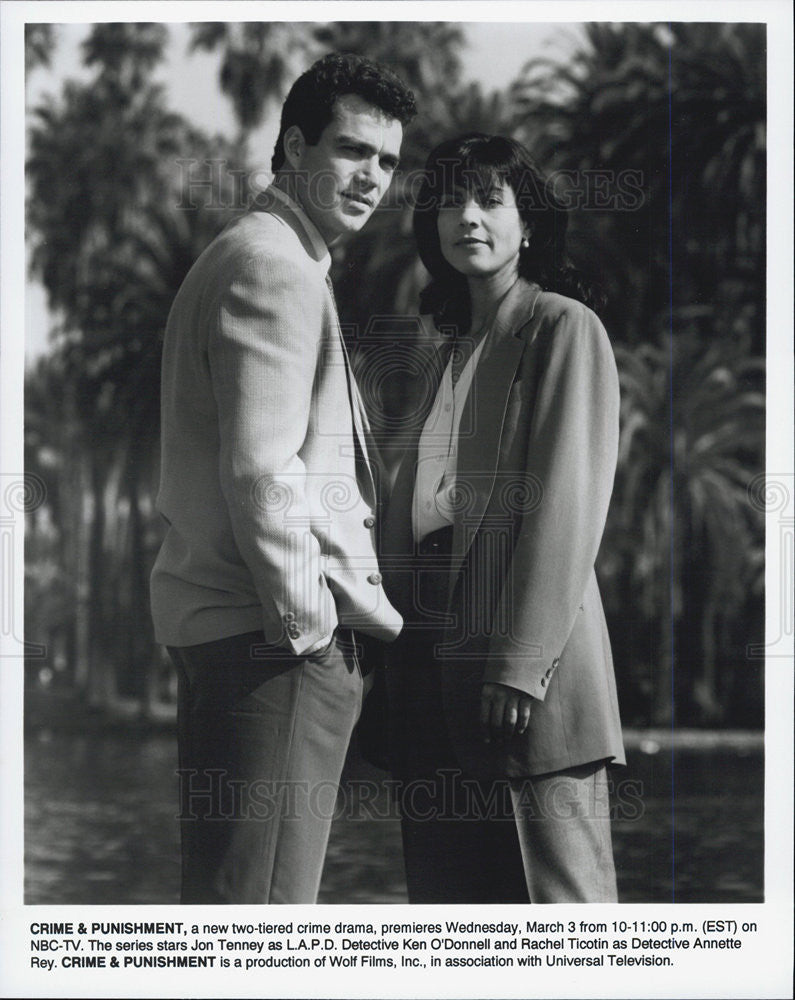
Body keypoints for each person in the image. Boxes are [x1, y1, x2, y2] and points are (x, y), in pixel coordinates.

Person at [149, 53, 416, 904]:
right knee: (263, 923)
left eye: (387, 161)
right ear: (294, 147)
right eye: (351, 150)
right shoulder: (276, 269)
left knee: (232, 911)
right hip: (274, 645)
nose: (371, 177)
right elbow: (262, 474)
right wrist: (313, 634)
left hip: (236, 635)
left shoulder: (254, 252)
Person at [379, 133, 625, 903]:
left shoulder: (561, 329)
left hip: (526, 685)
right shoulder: (445, 356)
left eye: (488, 198)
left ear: (528, 224)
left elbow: (566, 506)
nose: (467, 217)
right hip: (428, 679)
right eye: (450, 199)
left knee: (559, 926)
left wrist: (519, 665)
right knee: (452, 927)